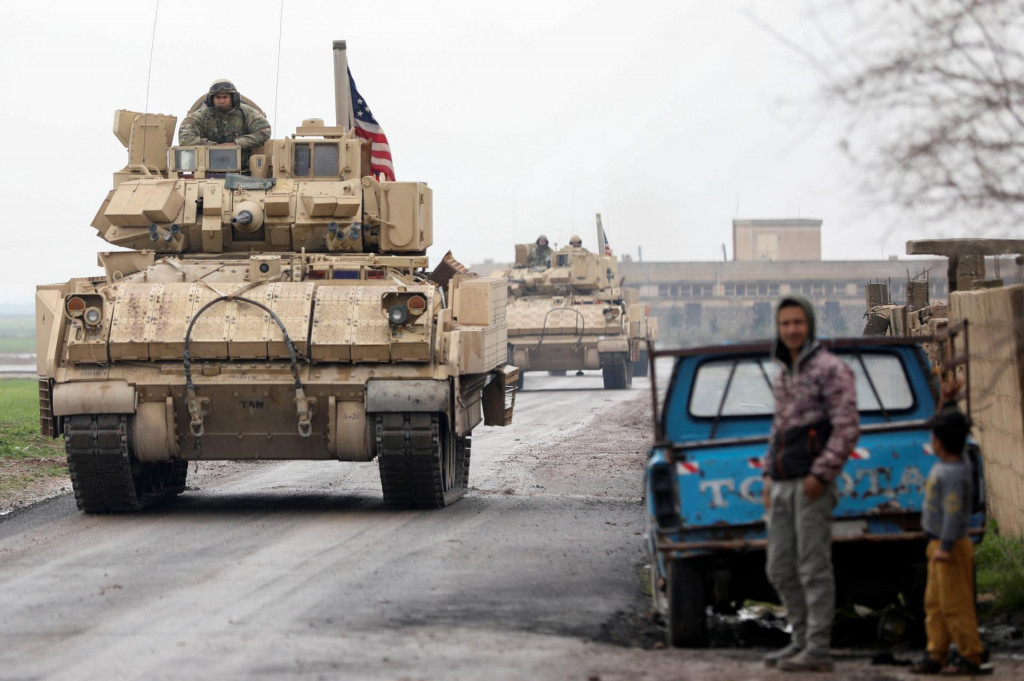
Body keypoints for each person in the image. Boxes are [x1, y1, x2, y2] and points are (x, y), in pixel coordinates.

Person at [761, 295, 859, 673]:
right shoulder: (785, 372)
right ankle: (799, 640)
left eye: (797, 323)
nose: (791, 330)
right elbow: (779, 429)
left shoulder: (830, 370)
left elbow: (847, 427)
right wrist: (768, 475)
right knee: (780, 568)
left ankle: (817, 648)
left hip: (810, 484)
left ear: (810, 325)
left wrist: (822, 474)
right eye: (785, 324)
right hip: (783, 483)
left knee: (813, 568)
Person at [910, 407, 991, 676]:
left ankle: (971, 655)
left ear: (941, 443)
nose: (931, 441)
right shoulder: (953, 464)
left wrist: (945, 547)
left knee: (956, 605)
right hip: (937, 545)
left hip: (951, 547)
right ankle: (937, 653)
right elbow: (955, 427)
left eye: (933, 436)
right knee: (934, 604)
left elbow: (954, 514)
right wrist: (949, 401)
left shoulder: (954, 472)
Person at [178, 79, 271, 167]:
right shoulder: (201, 116)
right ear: (211, 99)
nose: (221, 101)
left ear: (233, 98)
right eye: (218, 97)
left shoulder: (246, 113)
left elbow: (264, 130)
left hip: (245, 169)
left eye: (225, 97)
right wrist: (215, 147)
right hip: (206, 168)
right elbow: (184, 136)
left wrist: (236, 144)